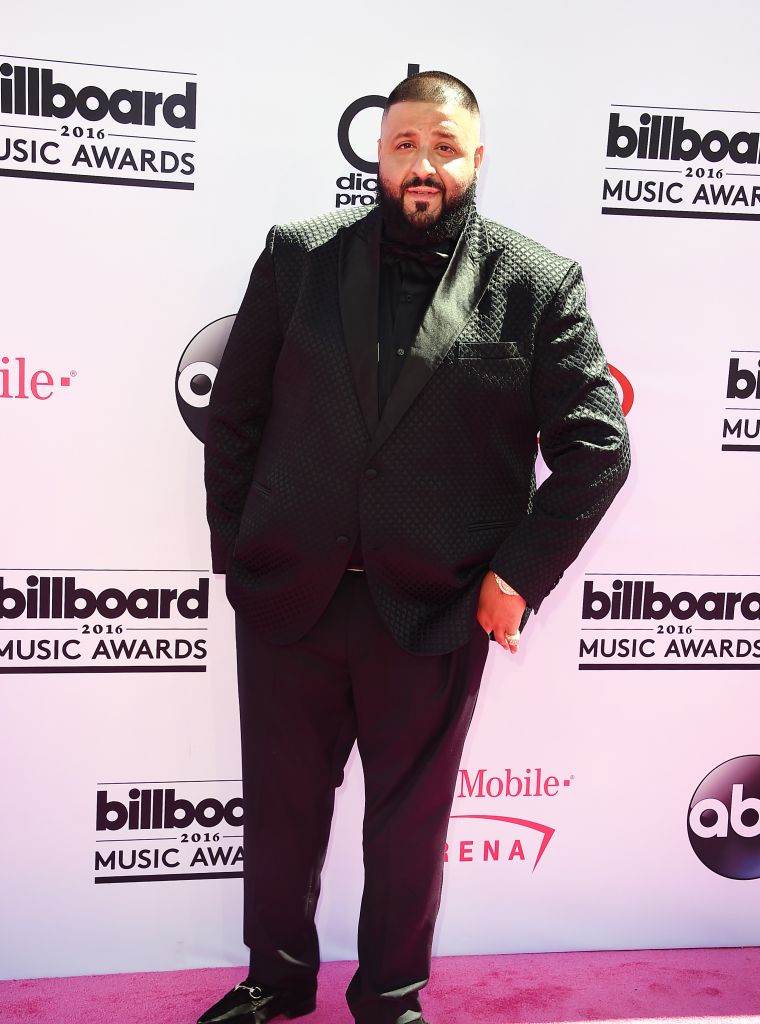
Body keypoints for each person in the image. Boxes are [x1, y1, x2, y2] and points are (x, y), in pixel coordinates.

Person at [200, 70, 630, 1024]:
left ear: (476, 158)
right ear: (378, 153)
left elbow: (599, 448)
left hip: (434, 605)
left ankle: (390, 995)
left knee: (411, 823)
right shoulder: (299, 256)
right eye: (404, 145)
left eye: (444, 146)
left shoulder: (536, 282)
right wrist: (240, 552)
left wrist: (516, 574)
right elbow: (234, 419)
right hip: (290, 596)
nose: (423, 164)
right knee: (281, 807)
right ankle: (275, 980)